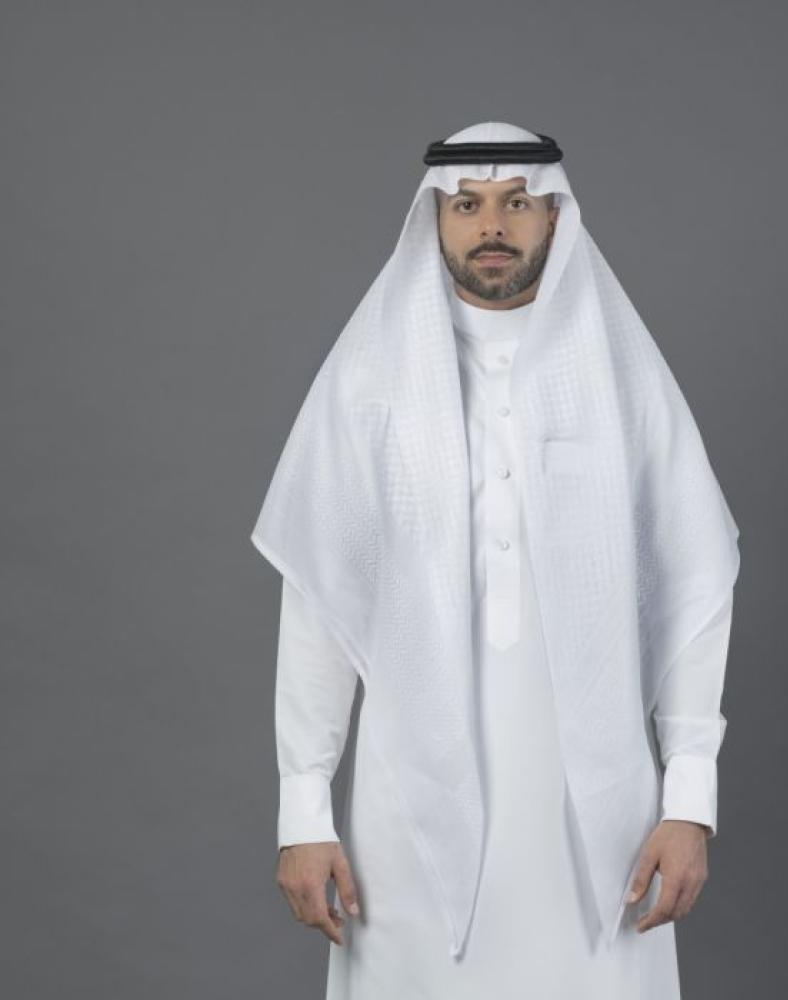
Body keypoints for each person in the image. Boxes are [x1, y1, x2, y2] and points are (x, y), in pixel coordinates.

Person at [251, 121, 741, 999]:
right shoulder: (370, 384)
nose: (491, 226)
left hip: (600, 819)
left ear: (555, 216)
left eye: (517, 203)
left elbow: (694, 587)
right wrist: (304, 811)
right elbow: (320, 604)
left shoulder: (623, 381)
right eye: (466, 205)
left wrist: (688, 802)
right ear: (432, 221)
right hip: (406, 814)